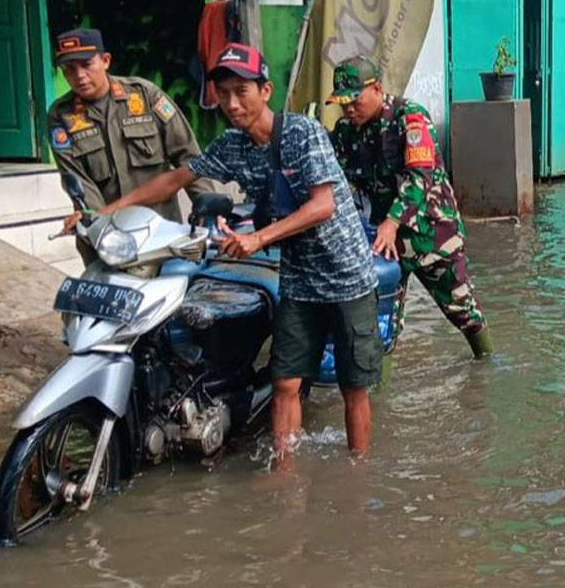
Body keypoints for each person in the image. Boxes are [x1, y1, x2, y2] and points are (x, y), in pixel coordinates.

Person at [100, 44, 383, 459]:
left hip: (346, 276)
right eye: (223, 93)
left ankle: (358, 474)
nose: (231, 103)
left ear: (265, 91)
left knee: (353, 386)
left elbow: (323, 205)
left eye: (241, 91)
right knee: (286, 381)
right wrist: (108, 211)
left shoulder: (304, 133)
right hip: (300, 279)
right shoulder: (231, 146)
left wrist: (258, 238)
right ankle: (285, 474)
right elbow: (175, 179)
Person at [328, 56, 494, 360]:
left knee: (463, 312)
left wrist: (392, 222)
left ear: (376, 88)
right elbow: (332, 181)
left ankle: (487, 369)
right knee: (382, 325)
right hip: (385, 245)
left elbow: (421, 177)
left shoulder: (409, 117)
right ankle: (378, 392)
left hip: (432, 234)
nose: (349, 109)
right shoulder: (345, 131)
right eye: (343, 103)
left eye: (355, 101)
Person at [46, 29, 216, 248]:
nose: (79, 76)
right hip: (107, 239)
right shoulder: (61, 117)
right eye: (69, 69)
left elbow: (189, 157)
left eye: (86, 65)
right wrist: (100, 227)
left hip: (161, 231)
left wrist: (208, 208)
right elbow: (79, 182)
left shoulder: (145, 96)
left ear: (105, 61)